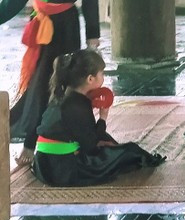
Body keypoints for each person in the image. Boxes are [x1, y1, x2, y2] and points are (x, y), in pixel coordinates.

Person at [0, 0, 99, 167]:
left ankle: (60, 139)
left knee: (62, 84)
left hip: (66, 28)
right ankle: (32, 140)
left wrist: (93, 35)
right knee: (39, 82)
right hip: (40, 32)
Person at [33, 49, 165, 187]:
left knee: (109, 143)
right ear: (90, 79)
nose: (103, 77)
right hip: (65, 169)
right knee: (129, 150)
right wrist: (103, 118)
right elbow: (91, 147)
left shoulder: (59, 94)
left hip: (43, 165)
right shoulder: (78, 104)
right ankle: (149, 160)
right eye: (102, 74)